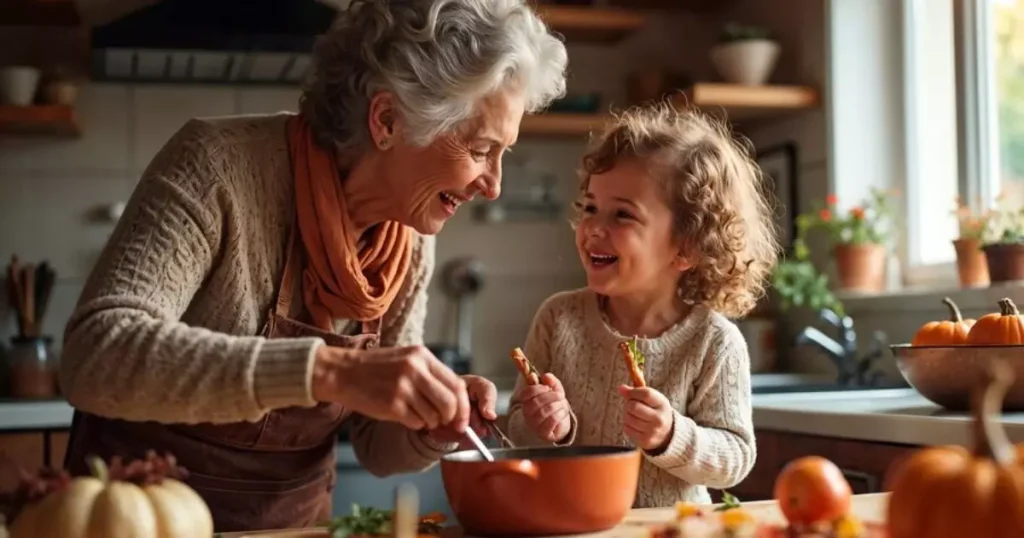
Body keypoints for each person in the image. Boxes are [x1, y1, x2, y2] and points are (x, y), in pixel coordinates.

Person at [58, 0, 567, 532]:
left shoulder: (410, 235)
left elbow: (376, 445)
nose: (494, 185)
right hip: (138, 521)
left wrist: (436, 423)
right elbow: (96, 353)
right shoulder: (217, 166)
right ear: (387, 120)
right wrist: (328, 371)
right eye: (483, 149)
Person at [506, 102, 779, 508]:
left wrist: (672, 435)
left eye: (622, 215)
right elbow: (513, 431)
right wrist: (544, 425)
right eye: (591, 208)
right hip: (575, 529)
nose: (595, 227)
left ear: (686, 247)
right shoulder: (558, 319)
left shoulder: (715, 342)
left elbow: (736, 456)